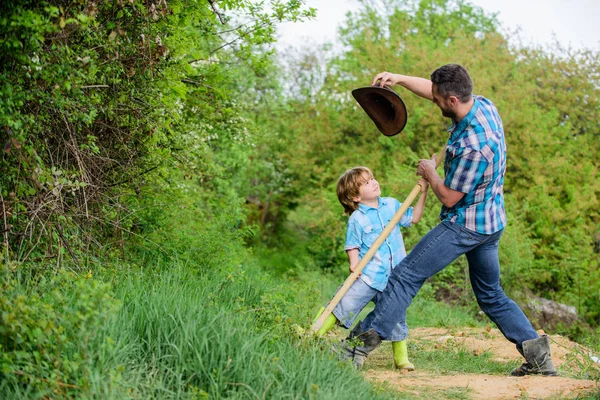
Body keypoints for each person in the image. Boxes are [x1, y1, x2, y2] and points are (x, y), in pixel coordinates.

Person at [340, 64, 557, 376]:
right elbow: (435, 91)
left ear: (452, 100)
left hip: (465, 225)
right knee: (491, 294)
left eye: (439, 100)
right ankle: (539, 359)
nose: (435, 101)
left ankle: (354, 349)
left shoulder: (474, 147)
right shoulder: (482, 104)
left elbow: (449, 197)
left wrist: (430, 172)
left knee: (404, 276)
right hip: (491, 220)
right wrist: (398, 79)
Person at [313, 166, 429, 371]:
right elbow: (352, 245)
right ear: (355, 196)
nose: (374, 182)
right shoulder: (357, 219)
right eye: (366, 183)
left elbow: (414, 218)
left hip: (395, 276)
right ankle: (313, 334)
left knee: (396, 315)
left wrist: (424, 192)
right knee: (344, 302)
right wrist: (354, 264)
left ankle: (401, 358)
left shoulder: (392, 205)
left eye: (373, 178)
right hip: (369, 275)